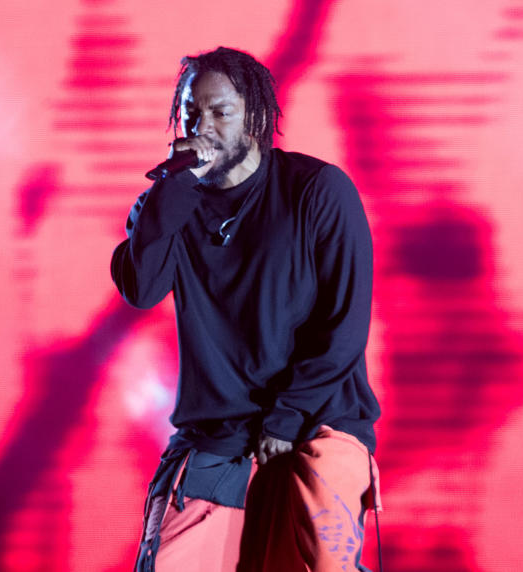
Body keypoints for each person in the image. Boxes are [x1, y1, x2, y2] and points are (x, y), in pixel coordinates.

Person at [110, 46, 381, 571]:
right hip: (217, 429)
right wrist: (173, 186)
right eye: (192, 112)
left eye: (219, 111)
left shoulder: (317, 191)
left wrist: (287, 417)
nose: (202, 125)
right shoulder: (169, 204)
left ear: (255, 117)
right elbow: (141, 289)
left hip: (316, 416)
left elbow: (344, 328)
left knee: (318, 559)